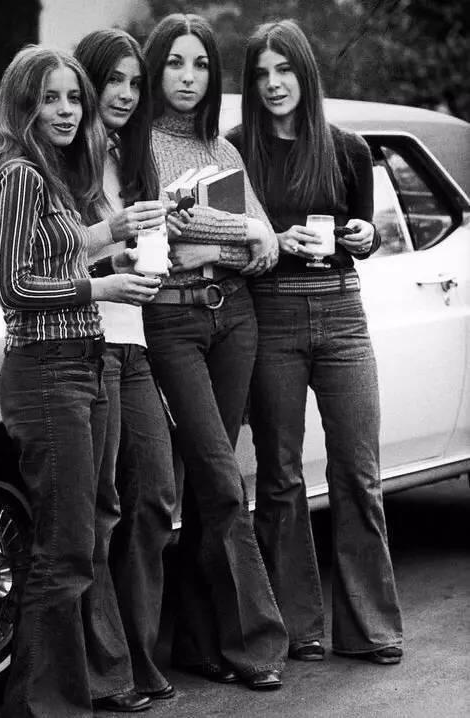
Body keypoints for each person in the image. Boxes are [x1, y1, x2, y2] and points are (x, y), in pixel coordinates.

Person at [0, 45, 162, 716]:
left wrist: (111, 242)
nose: (67, 110)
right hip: (48, 371)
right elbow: (17, 288)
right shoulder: (20, 173)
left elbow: (56, 256)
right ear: (23, 104)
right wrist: (102, 286)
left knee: (76, 542)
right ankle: (43, 706)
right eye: (50, 98)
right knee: (65, 549)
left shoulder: (47, 174)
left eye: (73, 97)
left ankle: (56, 698)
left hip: (83, 361)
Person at [227, 19, 403, 665]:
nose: (274, 84)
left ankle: (372, 628)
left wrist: (366, 236)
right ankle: (298, 627)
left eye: (285, 70)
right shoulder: (235, 150)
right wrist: (273, 242)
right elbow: (228, 242)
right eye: (262, 74)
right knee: (279, 476)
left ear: (305, 72)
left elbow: (366, 232)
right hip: (271, 314)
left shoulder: (348, 148)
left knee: (358, 470)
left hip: (342, 311)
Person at [142, 13, 289, 690]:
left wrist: (224, 240)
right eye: (176, 62)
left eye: (200, 64)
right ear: (156, 68)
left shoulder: (225, 151)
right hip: (173, 324)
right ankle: (256, 645)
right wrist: (240, 232)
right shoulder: (138, 145)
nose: (188, 77)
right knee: (224, 481)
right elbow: (166, 225)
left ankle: (199, 642)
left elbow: (268, 247)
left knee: (211, 490)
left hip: (236, 319)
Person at [73, 29, 177, 701]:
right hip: (89, 340)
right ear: (87, 82)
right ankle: (105, 670)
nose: (127, 94)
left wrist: (154, 249)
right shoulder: (63, 160)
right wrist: (113, 251)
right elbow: (47, 256)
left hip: (134, 342)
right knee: (100, 509)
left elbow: (147, 253)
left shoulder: (133, 162)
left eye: (136, 83)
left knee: (157, 496)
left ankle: (137, 653)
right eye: (113, 79)